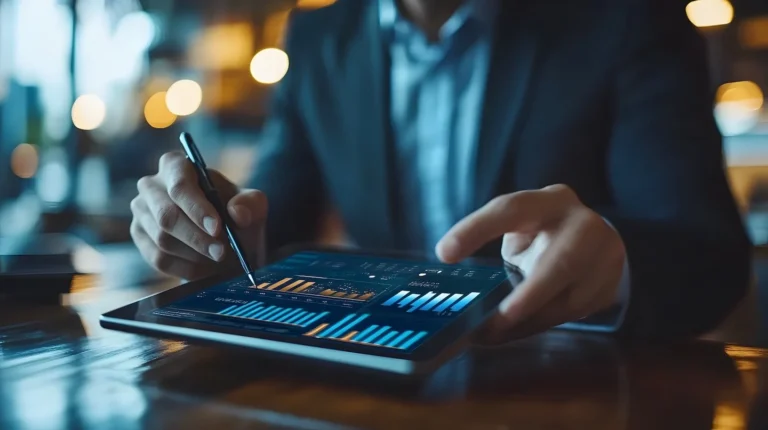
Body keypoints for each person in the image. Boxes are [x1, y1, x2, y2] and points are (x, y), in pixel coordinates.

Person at [130, 0, 752, 340]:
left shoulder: (628, 17)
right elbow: (271, 221)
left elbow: (709, 257)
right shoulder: (319, 37)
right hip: (375, 384)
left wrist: (613, 261)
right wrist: (215, 230)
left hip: (567, 389)